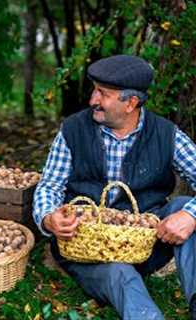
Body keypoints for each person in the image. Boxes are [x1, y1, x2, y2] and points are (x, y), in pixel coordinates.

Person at [33, 54, 196, 320]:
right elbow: (50, 185)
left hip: (145, 245)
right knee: (118, 272)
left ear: (131, 102)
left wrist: (190, 216)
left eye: (103, 93)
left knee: (184, 209)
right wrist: (49, 218)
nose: (92, 100)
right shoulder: (73, 130)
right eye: (94, 90)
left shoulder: (165, 134)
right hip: (86, 251)